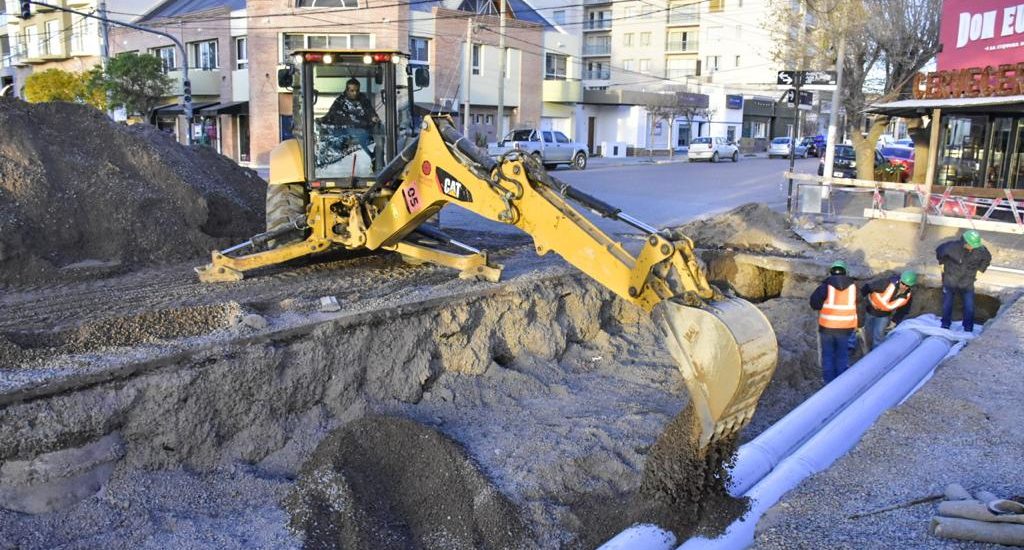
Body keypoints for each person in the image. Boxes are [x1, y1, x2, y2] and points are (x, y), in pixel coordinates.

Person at [810, 260, 861, 384]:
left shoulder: (825, 287)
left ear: (831, 272)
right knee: (842, 355)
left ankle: (828, 382)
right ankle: (840, 383)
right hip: (845, 328)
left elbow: (814, 303)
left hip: (827, 327)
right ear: (845, 272)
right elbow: (860, 306)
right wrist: (860, 324)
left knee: (827, 355)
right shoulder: (854, 288)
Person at [936, 230, 991, 332]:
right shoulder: (951, 248)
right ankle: (945, 325)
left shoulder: (980, 250)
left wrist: (981, 269)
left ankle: (968, 328)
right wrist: (943, 263)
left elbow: (987, 258)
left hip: (967, 282)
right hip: (951, 280)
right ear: (965, 242)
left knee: (969, 306)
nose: (973, 247)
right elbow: (939, 251)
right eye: (971, 245)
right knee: (947, 303)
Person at [320, 78, 379, 159]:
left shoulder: (364, 100)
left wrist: (373, 118)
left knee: (374, 141)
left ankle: (372, 158)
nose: (355, 93)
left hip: (362, 134)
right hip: (342, 133)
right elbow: (336, 116)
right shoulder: (339, 102)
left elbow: (370, 111)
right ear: (347, 90)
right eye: (352, 90)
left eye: (357, 90)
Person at [862, 270, 916, 350]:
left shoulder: (907, 297)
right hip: (870, 310)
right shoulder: (886, 284)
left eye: (907, 285)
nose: (904, 286)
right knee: (865, 332)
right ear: (900, 280)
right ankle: (861, 350)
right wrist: (859, 302)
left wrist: (894, 321)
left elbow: (903, 310)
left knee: (879, 336)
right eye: (903, 283)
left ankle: (876, 354)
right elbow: (868, 287)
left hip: (884, 315)